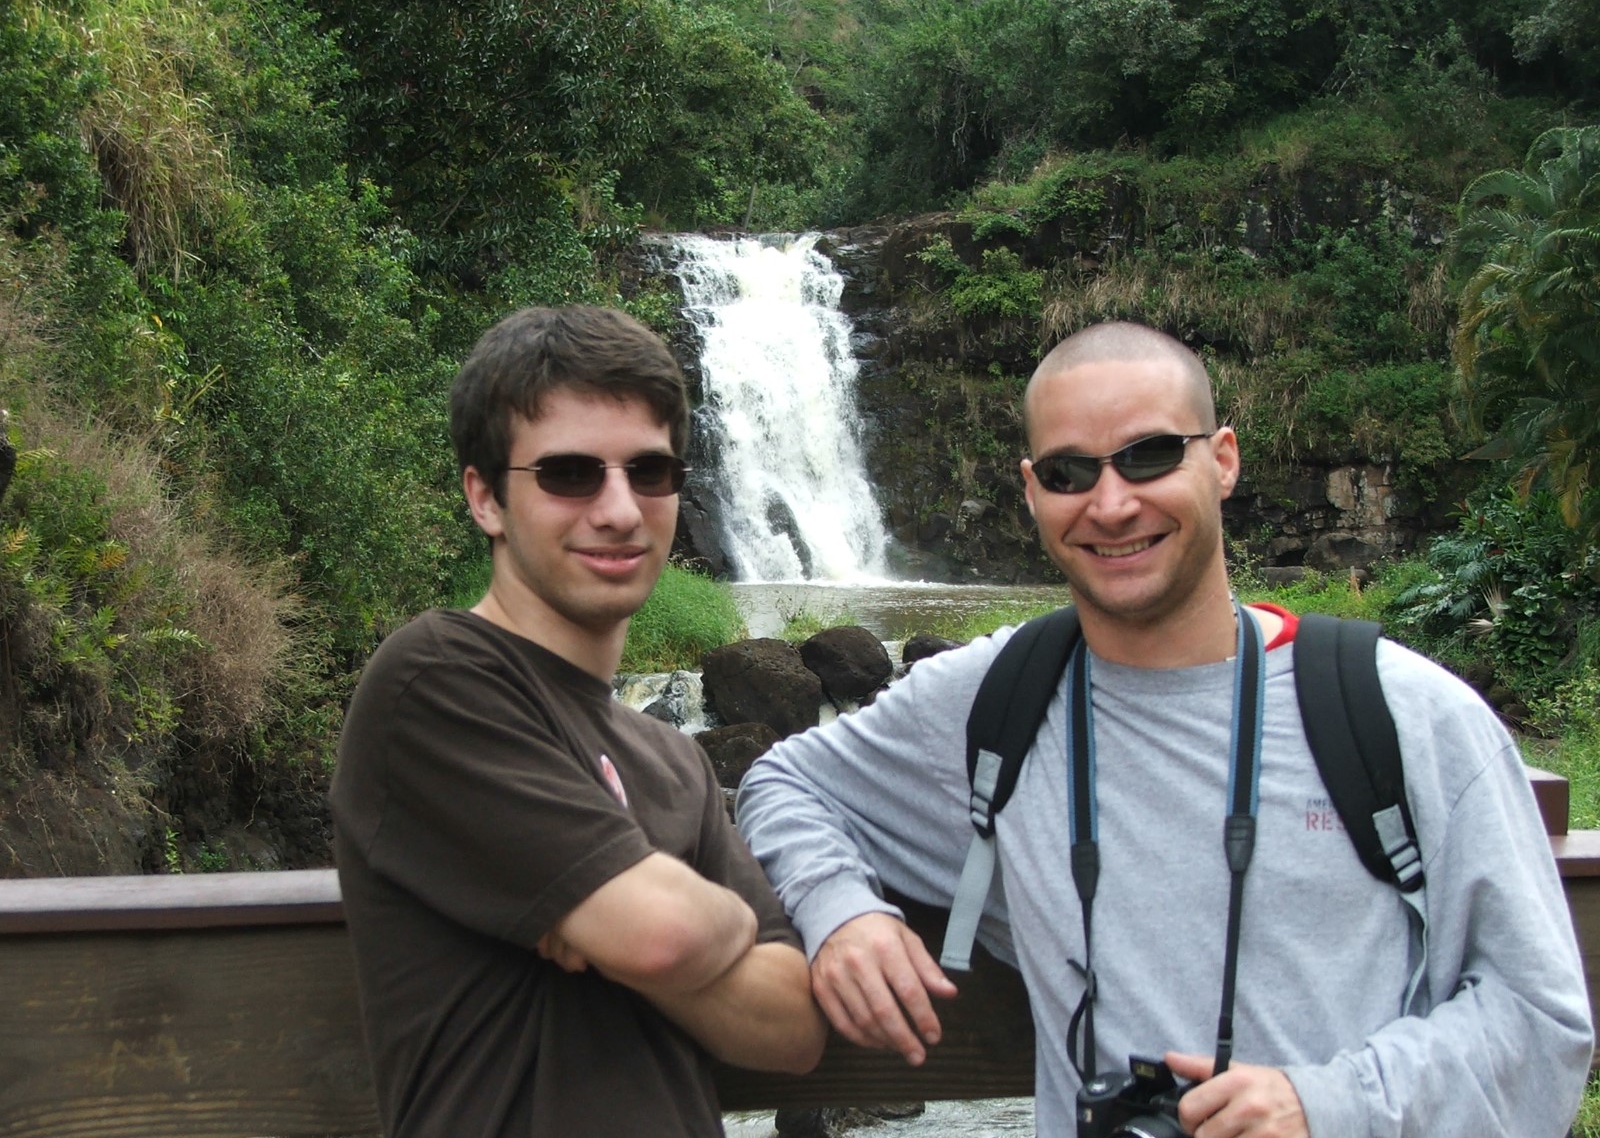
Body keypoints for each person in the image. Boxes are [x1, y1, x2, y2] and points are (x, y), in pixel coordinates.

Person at [737, 320, 1593, 1137]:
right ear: (1032, 490)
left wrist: (1332, 1107)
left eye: (1149, 456)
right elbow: (786, 782)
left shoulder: (1407, 718)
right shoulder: (995, 700)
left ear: (1222, 459)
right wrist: (841, 909)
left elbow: (1540, 1018)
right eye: (1071, 472)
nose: (1111, 504)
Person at [332, 305, 826, 1138]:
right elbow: (665, 934)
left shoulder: (673, 759)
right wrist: (700, 923)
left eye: (650, 472)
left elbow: (794, 1027)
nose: (621, 510)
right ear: (485, 496)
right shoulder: (435, 680)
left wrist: (622, 935)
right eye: (569, 475)